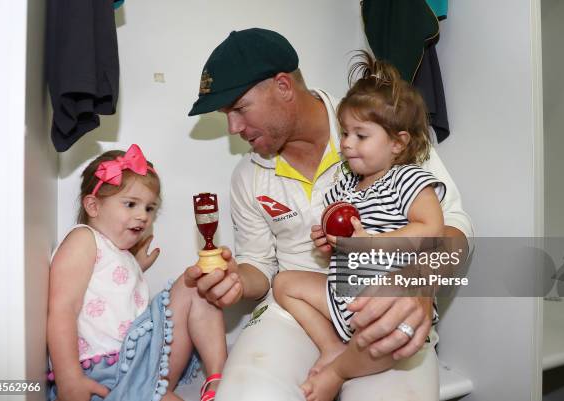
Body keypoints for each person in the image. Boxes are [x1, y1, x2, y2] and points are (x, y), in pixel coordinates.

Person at [186, 28, 473, 401]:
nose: (233, 127)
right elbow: (258, 265)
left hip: (385, 303)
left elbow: (455, 230)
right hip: (299, 311)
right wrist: (236, 279)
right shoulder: (249, 175)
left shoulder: (378, 123)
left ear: (284, 86)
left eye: (239, 109)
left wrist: (414, 282)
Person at [273, 52, 447, 401]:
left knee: (384, 340)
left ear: (397, 143)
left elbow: (431, 231)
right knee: (284, 282)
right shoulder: (346, 186)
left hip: (385, 302)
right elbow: (342, 236)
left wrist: (375, 243)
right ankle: (330, 347)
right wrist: (327, 240)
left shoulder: (408, 179)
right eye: (345, 133)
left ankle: (339, 371)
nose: (347, 143)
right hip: (342, 298)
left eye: (361, 135)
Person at [47, 144, 226, 401]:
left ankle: (217, 379)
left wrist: (135, 266)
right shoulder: (83, 239)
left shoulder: (116, 253)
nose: (143, 216)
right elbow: (63, 308)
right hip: (107, 370)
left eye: (149, 208)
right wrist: (69, 379)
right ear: (93, 206)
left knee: (196, 284)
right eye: (131, 204)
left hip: (141, 362)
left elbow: (109, 294)